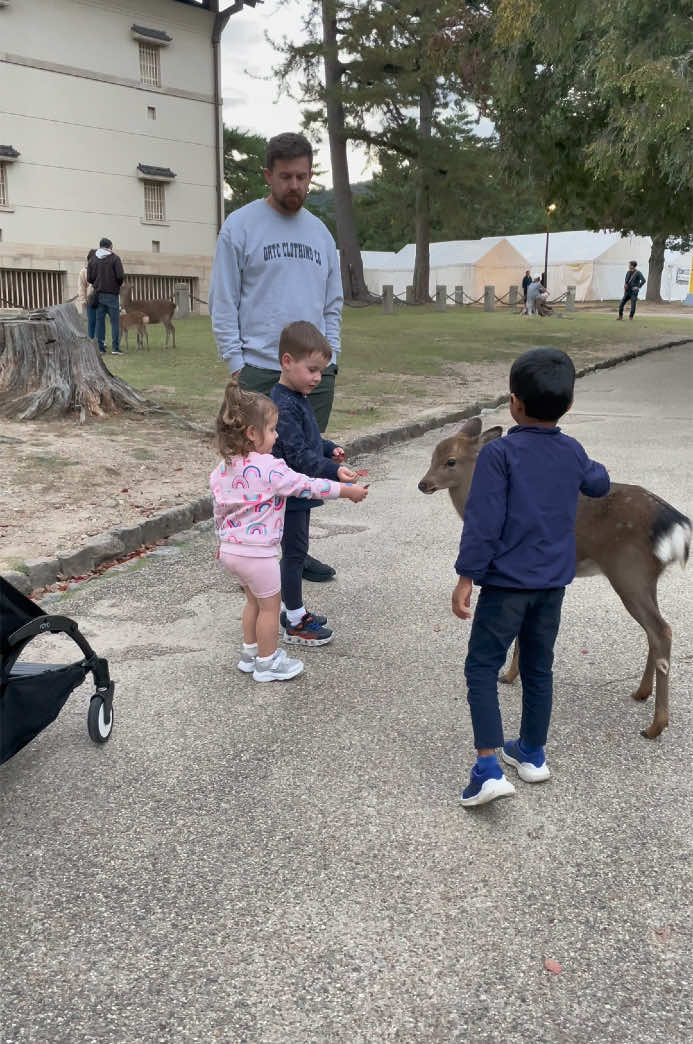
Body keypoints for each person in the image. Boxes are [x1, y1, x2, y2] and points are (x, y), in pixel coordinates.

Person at [451, 347, 610, 807]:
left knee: (482, 665)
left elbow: (483, 522)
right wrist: (579, 462)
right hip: (551, 586)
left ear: (513, 402)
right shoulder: (572, 450)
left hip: (505, 585)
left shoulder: (500, 454)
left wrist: (466, 577)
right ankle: (533, 754)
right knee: (540, 666)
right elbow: (598, 483)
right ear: (570, 404)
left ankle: (486, 769)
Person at [209, 131, 343, 584]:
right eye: (285, 176)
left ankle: (296, 555)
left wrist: (331, 358)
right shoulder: (241, 226)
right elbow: (223, 300)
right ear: (268, 175)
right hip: (261, 369)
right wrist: (236, 362)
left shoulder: (320, 234)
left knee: (302, 463)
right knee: (257, 469)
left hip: (312, 371)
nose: (295, 186)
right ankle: (253, 551)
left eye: (302, 176)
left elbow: (333, 303)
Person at [210, 379, 367, 682]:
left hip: (229, 551)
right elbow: (306, 485)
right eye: (271, 429)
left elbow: (219, 507)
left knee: (252, 603)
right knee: (270, 608)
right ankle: (268, 663)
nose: (276, 434)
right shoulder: (270, 468)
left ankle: (250, 654)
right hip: (258, 555)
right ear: (252, 434)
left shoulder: (222, 468)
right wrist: (345, 490)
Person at [271, 320, 364, 646]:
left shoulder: (295, 397)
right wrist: (332, 471)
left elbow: (309, 438)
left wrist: (329, 448)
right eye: (311, 370)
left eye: (321, 372)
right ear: (286, 361)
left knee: (297, 552)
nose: (316, 378)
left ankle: (290, 609)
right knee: (294, 555)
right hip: (291, 493)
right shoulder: (282, 405)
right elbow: (297, 455)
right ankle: (294, 619)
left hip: (299, 489)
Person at [87, 237, 124, 355]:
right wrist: (116, 285)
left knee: (100, 322)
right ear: (110, 246)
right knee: (114, 322)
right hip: (112, 295)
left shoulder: (93, 259)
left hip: (98, 294)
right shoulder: (115, 258)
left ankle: (101, 348)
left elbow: (89, 278)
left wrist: (97, 284)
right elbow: (120, 276)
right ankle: (115, 348)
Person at [77, 249, 97, 340]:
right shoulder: (83, 272)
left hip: (101, 299)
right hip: (90, 300)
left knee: (99, 322)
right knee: (91, 321)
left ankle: (100, 341)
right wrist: (83, 300)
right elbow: (81, 287)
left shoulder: (101, 270)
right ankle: (91, 339)